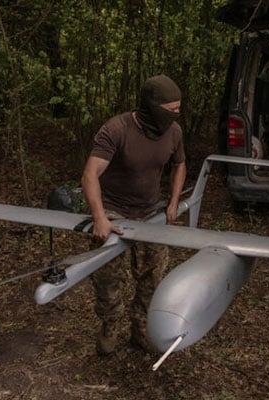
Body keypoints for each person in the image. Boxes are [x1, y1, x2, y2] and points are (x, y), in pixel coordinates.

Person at [81, 74, 186, 355]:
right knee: (107, 276)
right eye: (172, 109)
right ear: (152, 106)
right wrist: (100, 217)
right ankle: (109, 326)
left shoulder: (173, 132)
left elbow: (180, 165)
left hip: (151, 212)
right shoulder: (116, 129)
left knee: (153, 276)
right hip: (114, 209)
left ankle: (140, 329)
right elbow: (90, 174)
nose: (177, 114)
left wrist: (173, 202)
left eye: (179, 108)